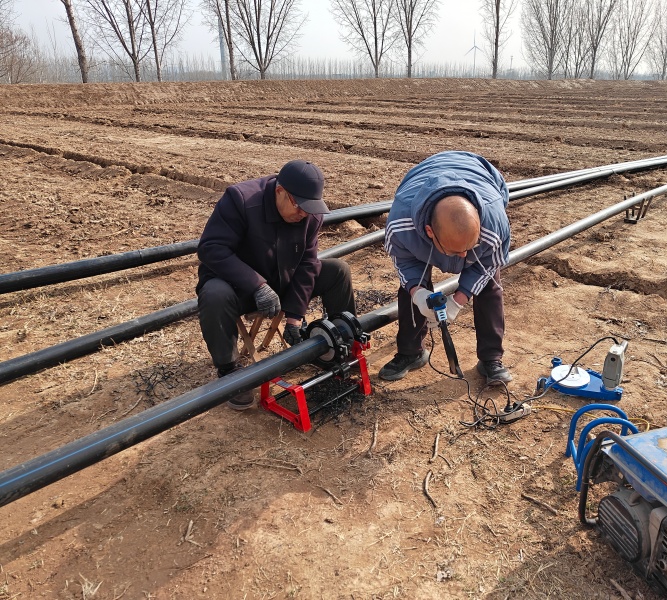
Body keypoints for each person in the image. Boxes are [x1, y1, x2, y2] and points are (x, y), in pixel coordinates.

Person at [196, 160, 356, 410]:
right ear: (280, 191)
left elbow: (307, 263)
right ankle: (229, 371)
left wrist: (295, 316)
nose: (304, 214)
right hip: (239, 287)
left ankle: (341, 345)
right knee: (214, 294)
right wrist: (257, 285)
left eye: (310, 208)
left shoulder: (309, 214)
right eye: (300, 206)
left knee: (337, 270)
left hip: (283, 280)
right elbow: (211, 248)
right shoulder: (241, 200)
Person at [379, 150, 512, 385]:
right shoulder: (401, 225)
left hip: (483, 178)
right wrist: (418, 293)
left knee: (488, 284)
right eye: (455, 250)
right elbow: (405, 262)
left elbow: (488, 264)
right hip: (418, 188)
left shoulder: (494, 224)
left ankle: (491, 358)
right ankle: (411, 352)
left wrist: (458, 300)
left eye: (470, 247)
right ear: (429, 232)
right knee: (411, 285)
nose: (464, 256)